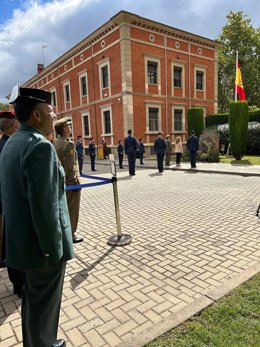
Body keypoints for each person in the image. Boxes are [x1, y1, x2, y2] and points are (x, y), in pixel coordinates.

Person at [0, 85, 74, 347]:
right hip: (41, 248)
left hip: (24, 244)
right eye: (50, 110)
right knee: (45, 303)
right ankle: (44, 343)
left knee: (34, 301)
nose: (55, 114)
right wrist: (52, 251)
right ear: (37, 115)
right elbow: (45, 208)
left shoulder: (12, 142)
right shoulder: (39, 146)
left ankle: (38, 342)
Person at [0, 111, 25, 297]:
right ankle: (20, 284)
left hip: (6, 204)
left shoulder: (3, 143)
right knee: (17, 246)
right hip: (13, 204)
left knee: (10, 245)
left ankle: (17, 282)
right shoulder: (12, 145)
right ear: (14, 126)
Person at [54, 118, 84, 244]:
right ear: (65, 129)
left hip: (61, 182)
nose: (70, 127)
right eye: (69, 126)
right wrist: (74, 182)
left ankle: (65, 232)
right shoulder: (68, 144)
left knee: (64, 209)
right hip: (70, 183)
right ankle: (70, 234)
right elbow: (70, 166)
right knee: (72, 209)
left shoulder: (56, 142)